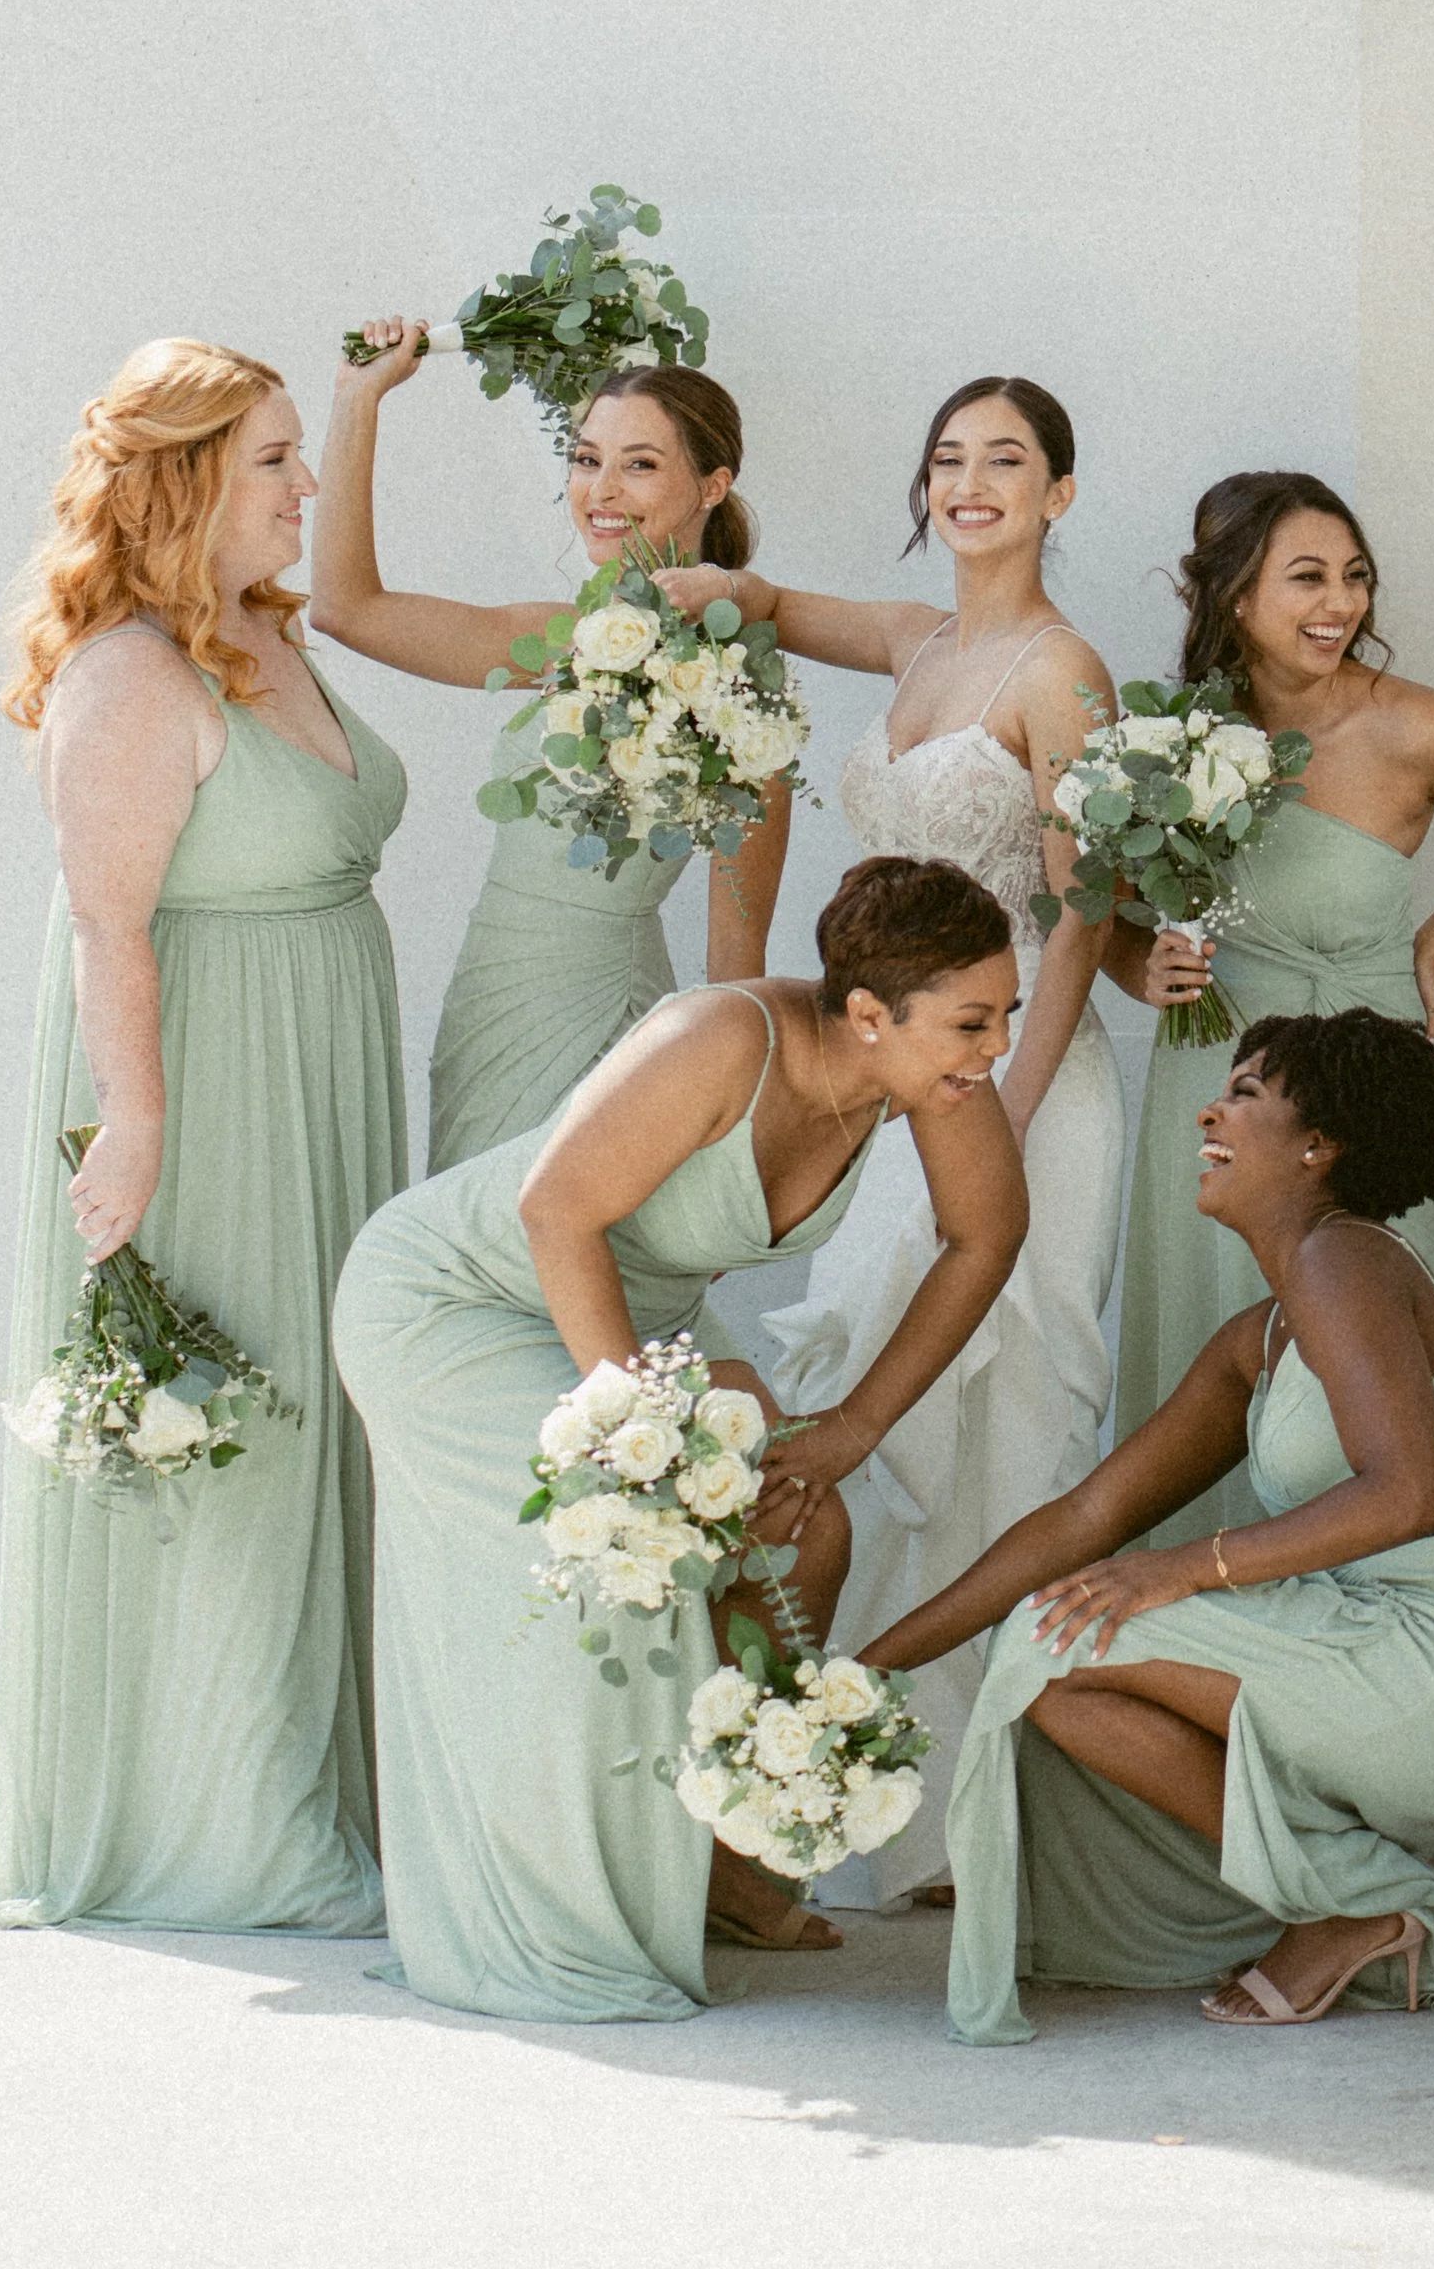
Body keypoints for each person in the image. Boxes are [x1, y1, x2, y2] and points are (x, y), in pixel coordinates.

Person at [331, 857, 1029, 2021]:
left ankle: (737, 1876)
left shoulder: (937, 1080)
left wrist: (854, 1427)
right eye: (974, 1021)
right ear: (869, 1015)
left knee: (810, 1529)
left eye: (1002, 1015)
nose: (995, 1046)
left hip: (631, 1324)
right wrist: (644, 1438)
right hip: (454, 1307)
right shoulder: (720, 1039)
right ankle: (564, 1903)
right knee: (621, 1562)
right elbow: (553, 1211)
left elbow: (984, 1239)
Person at [865, 1008, 1434, 2042]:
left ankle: (1355, 1903)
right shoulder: (1267, 1329)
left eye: (1244, 1093)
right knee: (1054, 1649)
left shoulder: (1351, 1264)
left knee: (1058, 1642)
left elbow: (1408, 1495)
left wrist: (1183, 1572)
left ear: (1318, 1145)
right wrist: (872, 1667)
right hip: (1379, 1646)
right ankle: (1354, 1895)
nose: (1209, 1107)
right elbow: (1087, 1516)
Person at [655, 376, 1122, 1901]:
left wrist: (1004, 1106)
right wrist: (697, 570)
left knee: (1008, 1421)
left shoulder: (1063, 673)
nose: (971, 483)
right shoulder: (923, 644)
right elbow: (776, 603)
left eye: (1007, 461)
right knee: (861, 1381)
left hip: (1013, 1082)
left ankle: (977, 1811)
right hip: (913, 1086)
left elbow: (1078, 924)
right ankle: (847, 1787)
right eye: (947, 461)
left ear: (1060, 493)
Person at [0, 341, 406, 1932]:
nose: (304, 491)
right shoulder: (126, 675)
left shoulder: (258, 635)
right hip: (211, 1092)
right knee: (239, 1430)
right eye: (277, 464)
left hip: (318, 1073)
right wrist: (142, 1129)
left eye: (303, 456)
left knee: (312, 1417)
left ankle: (304, 1775)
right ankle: (228, 1822)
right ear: (186, 485)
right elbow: (108, 925)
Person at [1112, 471, 1434, 1533]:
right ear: (1235, 595)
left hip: (1366, 1088)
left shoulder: (1408, 727)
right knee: (1208, 1340)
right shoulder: (1175, 741)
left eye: (1355, 577)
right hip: (1214, 1080)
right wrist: (1134, 966)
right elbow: (1105, 902)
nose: (1340, 604)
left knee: (1368, 1372)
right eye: (1307, 578)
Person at [313, 331, 789, 1168]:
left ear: (712, 485)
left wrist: (724, 1148)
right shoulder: (564, 639)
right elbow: (343, 607)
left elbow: (735, 961)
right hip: (492, 993)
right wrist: (358, 399)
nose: (600, 491)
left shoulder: (741, 686)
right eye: (585, 458)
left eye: (639, 465)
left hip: (605, 1012)